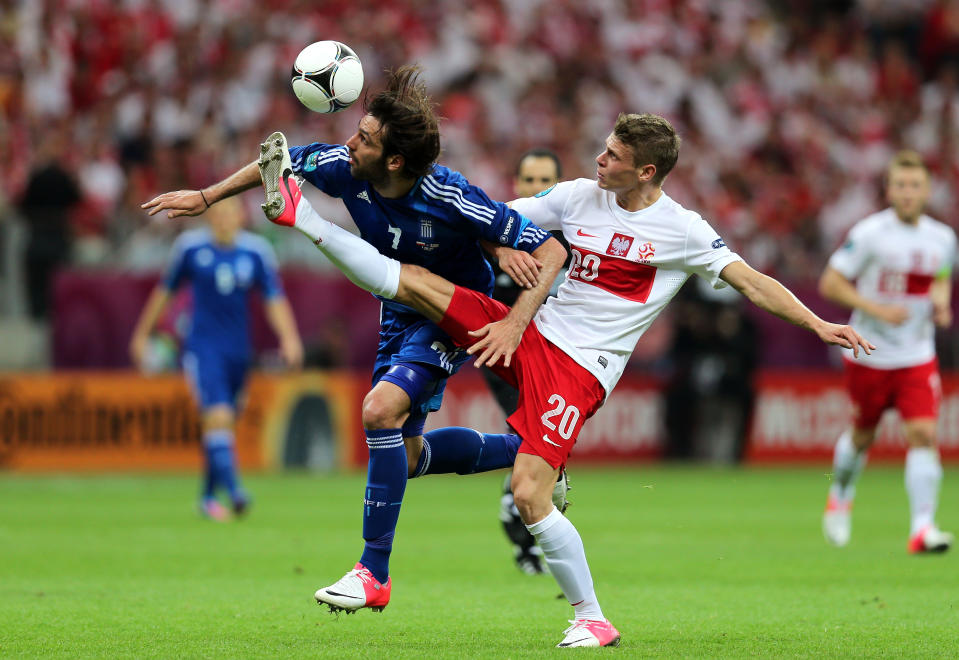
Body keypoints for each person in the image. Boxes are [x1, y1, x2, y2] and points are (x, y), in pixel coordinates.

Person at [256, 112, 873, 648]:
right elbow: (497, 222)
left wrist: (819, 323)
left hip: (580, 370)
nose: (599, 160)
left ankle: (592, 618)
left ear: (648, 173)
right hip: (528, 334)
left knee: (528, 492)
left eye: (614, 157)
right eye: (604, 148)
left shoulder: (682, 230)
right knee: (419, 282)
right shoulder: (577, 195)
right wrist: (493, 246)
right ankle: (302, 216)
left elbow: (750, 281)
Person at [142, 67, 567, 583]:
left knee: (379, 410)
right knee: (406, 456)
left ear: (394, 160)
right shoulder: (345, 168)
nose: (349, 143)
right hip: (397, 310)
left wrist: (515, 321)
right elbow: (277, 163)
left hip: (454, 312)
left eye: (363, 138)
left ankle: (373, 572)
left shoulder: (448, 195)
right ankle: (531, 449)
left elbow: (551, 250)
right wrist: (208, 197)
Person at [129, 197, 304, 520]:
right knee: (218, 416)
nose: (224, 219)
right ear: (209, 218)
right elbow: (164, 292)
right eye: (218, 213)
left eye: (230, 213)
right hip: (202, 348)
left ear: (241, 216)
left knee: (222, 424)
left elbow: (273, 299)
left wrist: (290, 338)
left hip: (239, 352)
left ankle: (208, 497)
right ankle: (236, 492)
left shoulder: (255, 252)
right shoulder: (190, 249)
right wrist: (142, 335)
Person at [820, 150, 955, 553]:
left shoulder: (943, 238)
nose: (908, 193)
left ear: (928, 190)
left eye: (915, 185)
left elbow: (942, 276)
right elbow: (831, 283)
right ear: (889, 190)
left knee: (924, 434)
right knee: (863, 436)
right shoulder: (870, 233)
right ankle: (840, 496)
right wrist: (877, 310)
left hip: (916, 354)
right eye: (900, 185)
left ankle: (922, 528)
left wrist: (942, 302)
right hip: (870, 351)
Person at [487, 149, 564, 575]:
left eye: (545, 181)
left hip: (559, 360)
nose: (536, 189)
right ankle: (527, 540)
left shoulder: (576, 240)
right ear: (517, 187)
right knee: (539, 446)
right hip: (507, 357)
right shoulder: (495, 236)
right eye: (529, 180)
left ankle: (520, 517)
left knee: (544, 449)